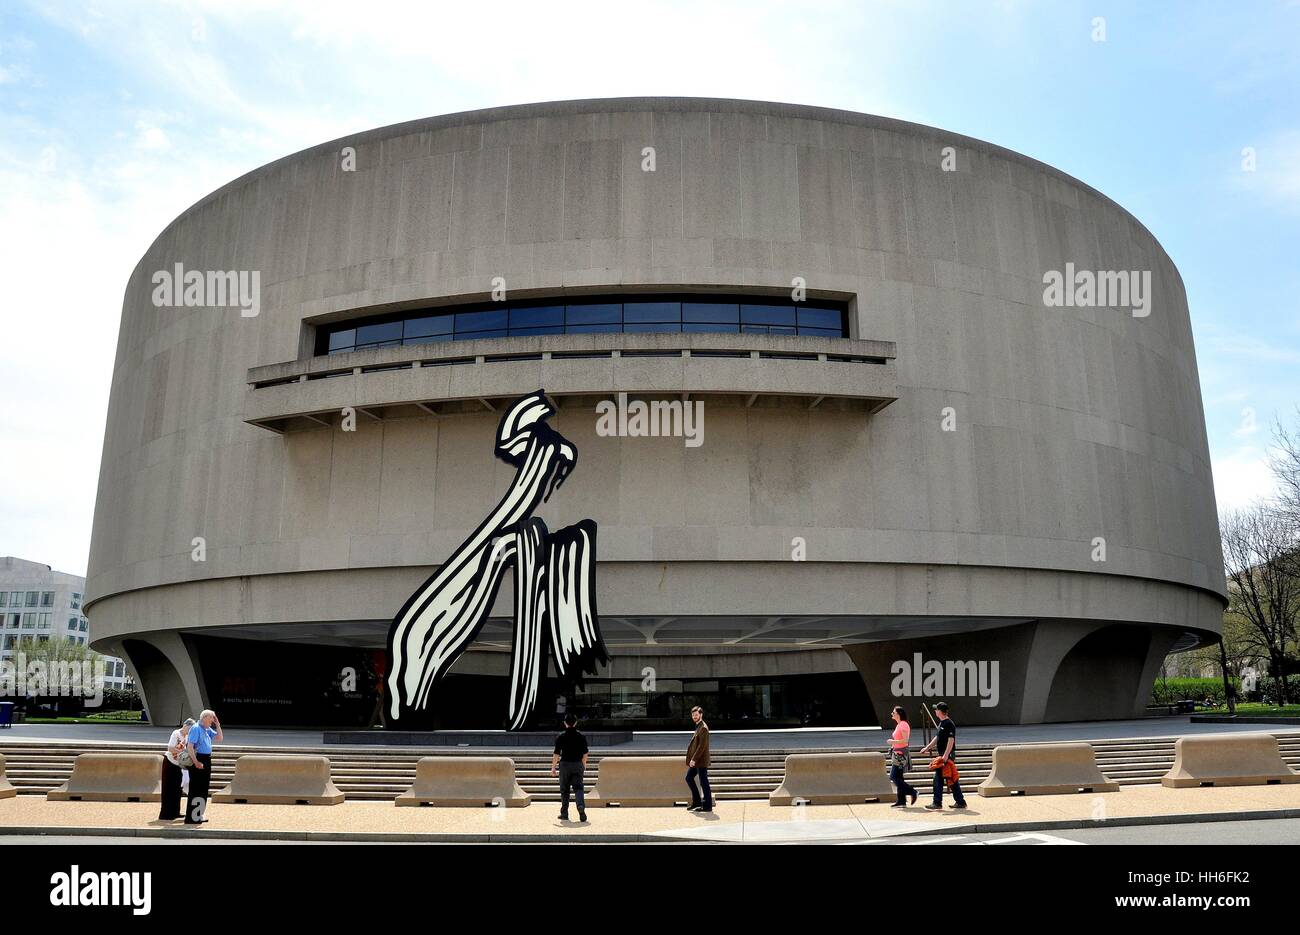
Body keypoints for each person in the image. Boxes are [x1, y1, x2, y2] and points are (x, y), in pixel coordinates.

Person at [919, 701, 966, 810]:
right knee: (950, 778)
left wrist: (945, 756)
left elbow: (951, 740)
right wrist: (927, 748)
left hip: (946, 756)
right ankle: (960, 801)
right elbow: (937, 738)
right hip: (943, 755)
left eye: (936, 709)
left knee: (939, 779)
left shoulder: (949, 724)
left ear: (940, 711)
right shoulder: (941, 723)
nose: (935, 711)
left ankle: (937, 802)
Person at [184, 709, 223, 824]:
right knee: (196, 788)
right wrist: (196, 762)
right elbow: (190, 747)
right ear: (205, 717)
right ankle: (192, 817)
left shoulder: (207, 729)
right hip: (198, 758)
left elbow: (219, 738)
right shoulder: (196, 728)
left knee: (203, 789)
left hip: (206, 759)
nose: (213, 720)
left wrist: (218, 725)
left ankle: (199, 814)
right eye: (212, 718)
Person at [551, 712, 589, 822]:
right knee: (578, 788)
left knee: (564, 790)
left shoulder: (561, 736)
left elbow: (556, 754)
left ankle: (564, 813)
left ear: (565, 723)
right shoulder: (581, 736)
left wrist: (553, 767)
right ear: (576, 723)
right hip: (577, 764)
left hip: (565, 765)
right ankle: (580, 806)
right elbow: (585, 753)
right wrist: (584, 765)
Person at [158, 717, 194, 820]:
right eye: (190, 729)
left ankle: (175, 811)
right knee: (169, 788)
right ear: (185, 726)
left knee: (177, 789)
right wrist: (183, 753)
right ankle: (166, 813)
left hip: (179, 764)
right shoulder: (176, 733)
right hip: (170, 763)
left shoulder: (187, 736)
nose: (190, 731)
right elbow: (170, 748)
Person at [886, 705, 917, 807]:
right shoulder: (899, 724)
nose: (892, 714)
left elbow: (905, 740)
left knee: (893, 776)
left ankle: (913, 792)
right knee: (899, 777)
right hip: (897, 754)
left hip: (901, 755)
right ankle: (901, 801)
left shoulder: (903, 725)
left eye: (893, 712)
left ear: (898, 715)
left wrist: (892, 741)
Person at [685, 705, 712, 813]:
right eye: (693, 715)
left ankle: (707, 805)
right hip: (697, 761)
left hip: (700, 761)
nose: (694, 717)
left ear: (701, 715)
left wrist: (694, 759)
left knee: (703, 782)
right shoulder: (698, 726)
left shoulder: (703, 728)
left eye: (696, 715)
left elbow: (702, 746)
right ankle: (696, 801)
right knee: (689, 778)